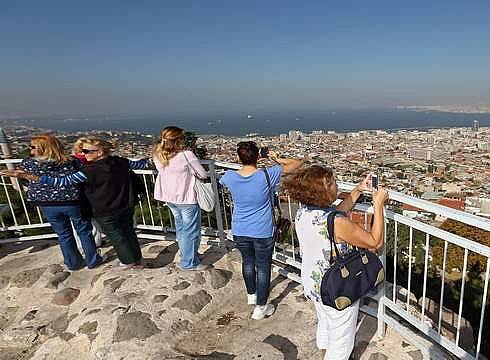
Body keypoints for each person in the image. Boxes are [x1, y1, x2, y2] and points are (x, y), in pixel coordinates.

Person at [284, 166, 389, 360]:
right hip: (338, 287)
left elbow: (336, 214)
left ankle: (323, 347)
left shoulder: (304, 212)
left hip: (314, 282)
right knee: (342, 342)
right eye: (332, 183)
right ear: (320, 192)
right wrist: (378, 205)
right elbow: (375, 242)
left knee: (325, 321)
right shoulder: (337, 223)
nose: (337, 184)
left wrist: (357, 190)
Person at [6, 137, 149, 269]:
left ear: (99, 152)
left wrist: (27, 176)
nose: (82, 153)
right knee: (128, 232)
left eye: (86, 151)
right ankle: (135, 258)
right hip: (126, 205)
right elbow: (141, 164)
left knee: (117, 236)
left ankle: (128, 262)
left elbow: (60, 182)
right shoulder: (121, 161)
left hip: (104, 209)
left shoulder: (88, 171)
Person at [220, 141, 303, 320]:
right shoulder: (267, 175)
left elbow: (222, 181)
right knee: (263, 267)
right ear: (258, 156)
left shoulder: (229, 177)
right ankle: (261, 307)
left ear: (238, 157)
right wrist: (274, 157)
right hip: (262, 229)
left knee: (248, 262)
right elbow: (297, 164)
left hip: (240, 228)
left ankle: (252, 295)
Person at [1, 134, 102, 270]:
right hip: (73, 202)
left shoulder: (29, 164)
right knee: (84, 231)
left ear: (42, 148)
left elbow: (25, 178)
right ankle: (93, 261)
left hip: (48, 204)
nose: (30, 149)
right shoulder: (70, 161)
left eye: (32, 147)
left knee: (63, 235)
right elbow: (83, 175)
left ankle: (73, 263)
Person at [152, 126, 209, 271]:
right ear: (178, 140)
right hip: (186, 197)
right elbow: (203, 174)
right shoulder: (186, 155)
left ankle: (189, 256)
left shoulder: (157, 154)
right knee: (191, 230)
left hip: (170, 198)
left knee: (182, 229)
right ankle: (189, 262)